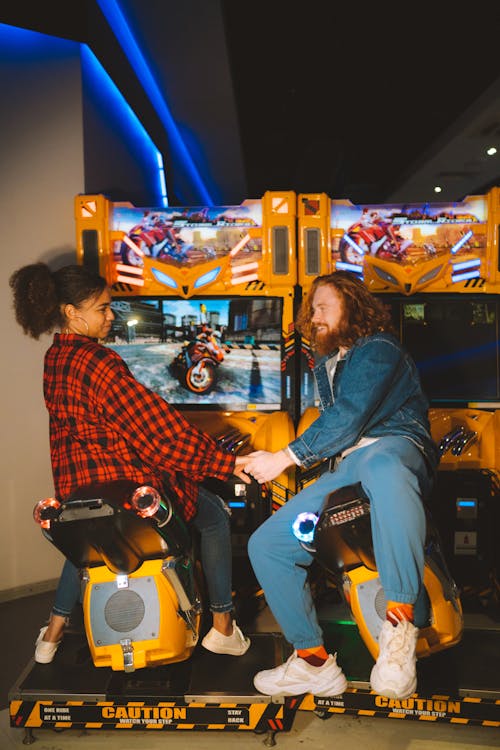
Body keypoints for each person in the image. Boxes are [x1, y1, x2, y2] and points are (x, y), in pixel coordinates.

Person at [10, 262, 251, 664]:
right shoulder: (100, 363)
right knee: (214, 516)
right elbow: (159, 432)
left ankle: (50, 636)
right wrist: (222, 462)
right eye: (103, 308)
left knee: (87, 538)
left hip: (78, 489)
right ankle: (223, 627)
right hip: (125, 485)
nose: (111, 316)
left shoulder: (56, 357)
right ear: (72, 312)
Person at [235, 271, 439, 700]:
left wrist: (282, 459)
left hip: (395, 448)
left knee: (381, 464)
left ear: (353, 306)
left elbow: (348, 416)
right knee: (268, 544)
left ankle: (399, 627)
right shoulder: (330, 362)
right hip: (348, 468)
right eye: (312, 309)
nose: (315, 316)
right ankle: (312, 662)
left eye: (324, 306)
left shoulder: (378, 347)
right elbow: (339, 432)